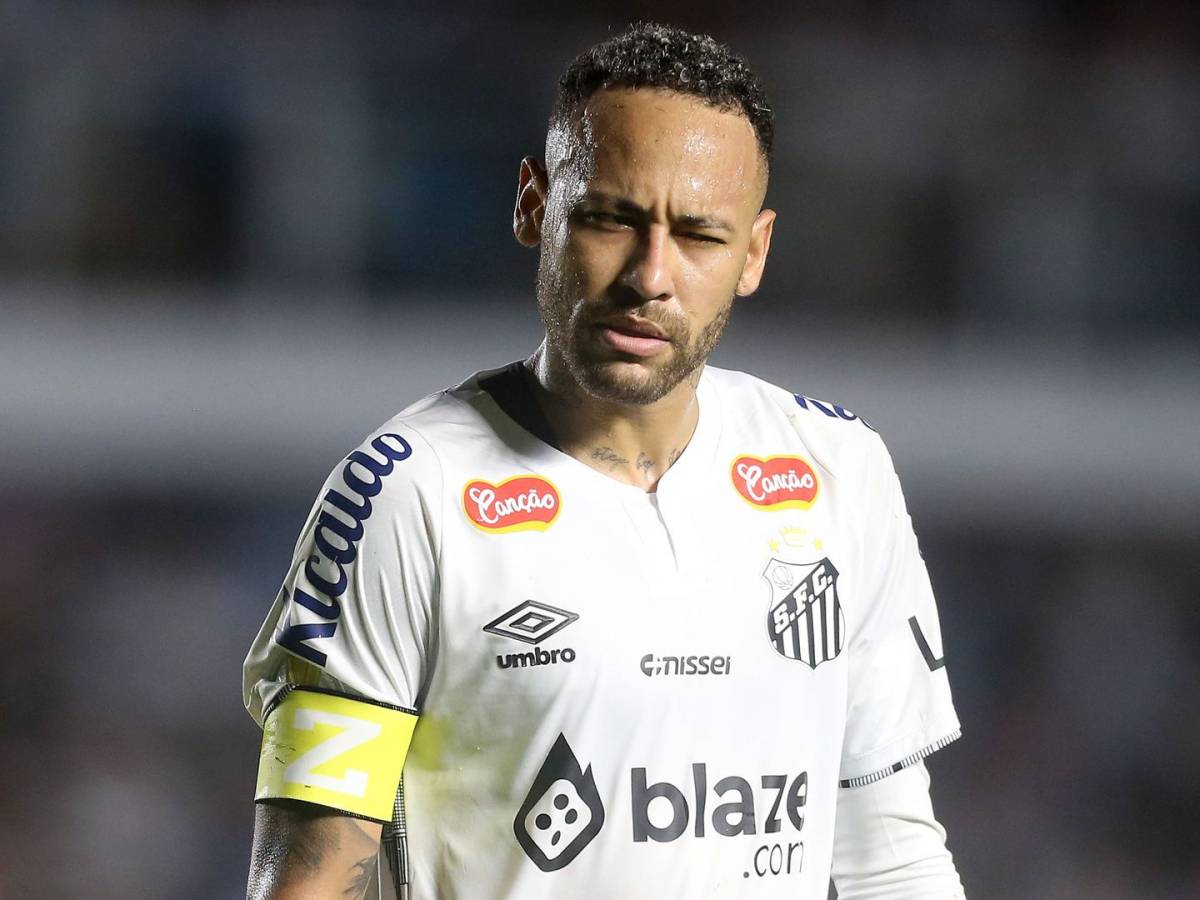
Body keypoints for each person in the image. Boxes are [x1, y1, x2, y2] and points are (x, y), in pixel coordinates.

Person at [243, 21, 966, 900]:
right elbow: (312, 876)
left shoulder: (839, 472)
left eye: (700, 235)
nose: (650, 276)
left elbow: (891, 857)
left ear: (754, 253)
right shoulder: (405, 494)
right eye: (611, 218)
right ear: (534, 206)